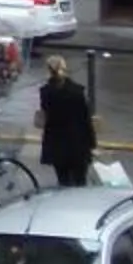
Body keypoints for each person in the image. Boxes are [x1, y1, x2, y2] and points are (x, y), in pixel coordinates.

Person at [35, 53, 97, 189]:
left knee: (64, 182)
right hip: (78, 143)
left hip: (57, 144)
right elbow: (85, 119)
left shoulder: (45, 92)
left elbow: (46, 117)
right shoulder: (77, 91)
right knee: (80, 182)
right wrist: (92, 143)